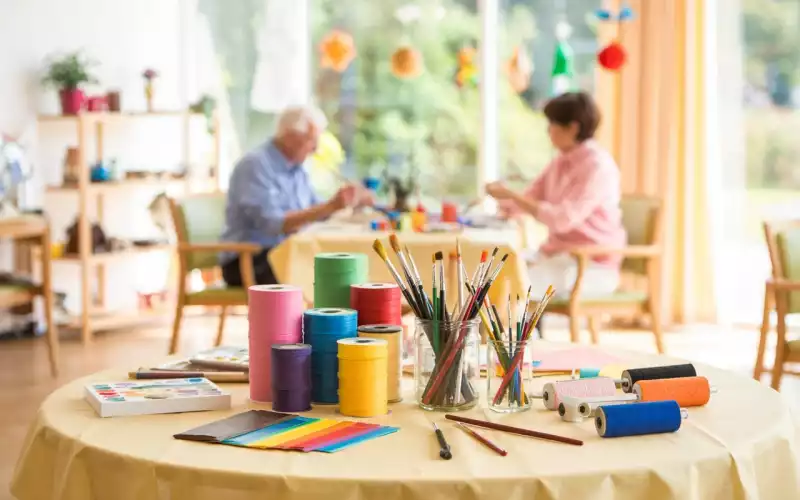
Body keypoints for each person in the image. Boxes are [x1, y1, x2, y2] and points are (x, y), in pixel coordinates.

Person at [485, 91, 626, 299]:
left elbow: (562, 220)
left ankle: (517, 332)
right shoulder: (560, 162)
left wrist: (513, 196)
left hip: (590, 265)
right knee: (490, 275)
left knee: (509, 286)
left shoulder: (598, 167)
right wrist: (504, 199)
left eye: (552, 124)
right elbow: (530, 198)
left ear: (573, 127)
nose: (548, 131)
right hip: (556, 256)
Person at [219, 105, 366, 286]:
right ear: (290, 137)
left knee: (343, 264)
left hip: (283, 254)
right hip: (248, 260)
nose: (316, 149)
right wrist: (329, 207)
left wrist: (347, 202)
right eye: (312, 140)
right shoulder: (255, 166)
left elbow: (316, 208)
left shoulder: (297, 169)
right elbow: (274, 223)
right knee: (327, 273)